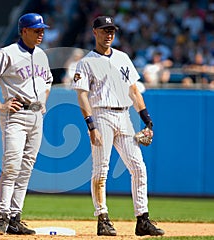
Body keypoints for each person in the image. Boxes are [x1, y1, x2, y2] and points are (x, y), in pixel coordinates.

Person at [72, 16, 165, 237]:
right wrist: (91, 125)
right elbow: (82, 96)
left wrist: (146, 119)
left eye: (112, 30)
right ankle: (102, 218)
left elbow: (133, 91)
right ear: (95, 32)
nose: (109, 34)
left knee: (138, 167)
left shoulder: (123, 58)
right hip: (101, 114)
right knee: (101, 170)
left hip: (124, 116)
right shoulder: (86, 62)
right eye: (105, 30)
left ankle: (142, 219)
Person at [0, 13, 53, 235]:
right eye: (37, 29)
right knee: (12, 165)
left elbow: (47, 81)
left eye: (42, 29)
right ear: (24, 31)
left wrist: (43, 102)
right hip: (15, 116)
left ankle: (15, 218)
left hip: (36, 116)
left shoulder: (42, 56)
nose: (41, 33)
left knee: (27, 168)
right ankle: (2, 216)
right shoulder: (6, 53)